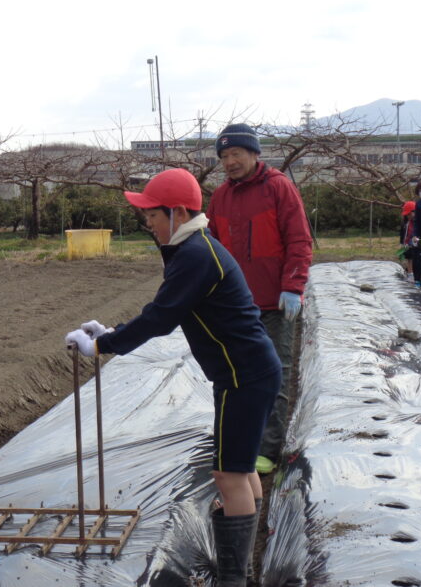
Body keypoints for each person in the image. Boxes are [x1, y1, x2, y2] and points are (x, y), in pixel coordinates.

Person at [65, 168, 281, 587]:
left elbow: (161, 317)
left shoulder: (196, 255)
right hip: (248, 373)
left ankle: (234, 580)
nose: (148, 223)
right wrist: (111, 333)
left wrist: (103, 346)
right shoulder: (195, 249)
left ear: (178, 213)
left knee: (228, 474)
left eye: (152, 215)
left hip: (244, 378)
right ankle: (244, 566)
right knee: (241, 467)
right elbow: (163, 309)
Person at [204, 123, 312, 476]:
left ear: (254, 154)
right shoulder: (220, 196)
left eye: (235, 153)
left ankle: (268, 447)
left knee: (274, 374)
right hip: (236, 305)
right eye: (223, 156)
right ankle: (237, 438)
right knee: (236, 375)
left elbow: (299, 239)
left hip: (273, 303)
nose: (229, 161)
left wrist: (293, 286)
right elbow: (213, 248)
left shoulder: (278, 188)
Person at [399, 201, 416, 277]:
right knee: (409, 260)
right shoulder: (406, 223)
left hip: (415, 245)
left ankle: (412, 275)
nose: (408, 216)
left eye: (409, 214)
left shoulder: (418, 223)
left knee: (413, 260)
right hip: (407, 246)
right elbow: (403, 233)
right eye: (406, 215)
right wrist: (402, 243)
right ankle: (410, 275)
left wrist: (410, 243)